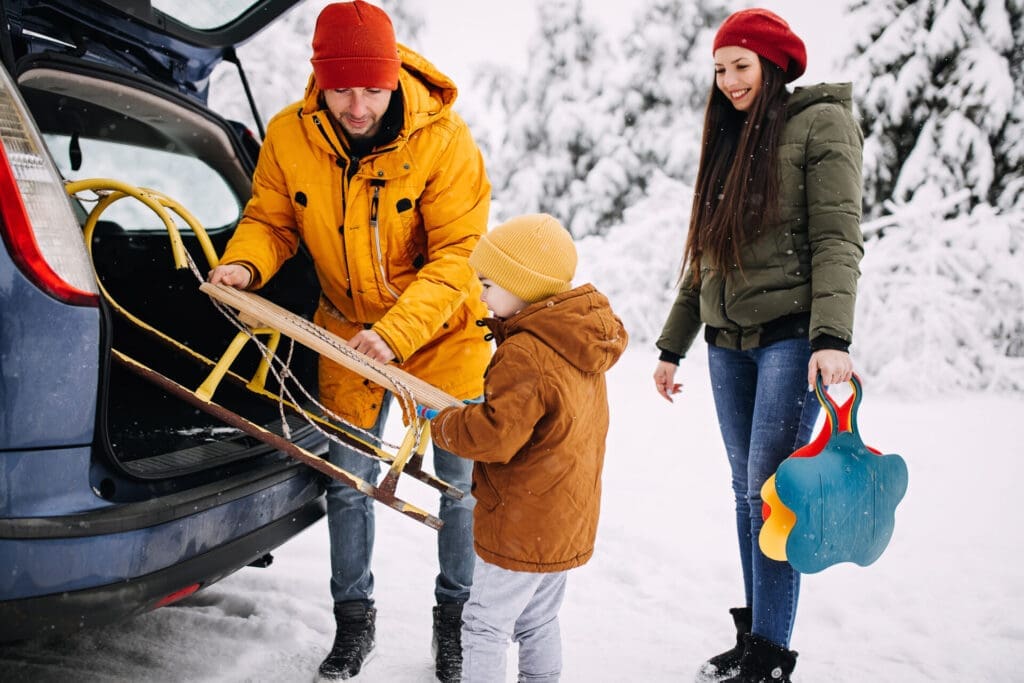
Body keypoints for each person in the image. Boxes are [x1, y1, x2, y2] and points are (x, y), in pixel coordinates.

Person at [207, 2, 492, 680]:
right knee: (348, 483)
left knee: (457, 488)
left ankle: (455, 622)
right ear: (319, 80)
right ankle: (353, 623)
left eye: (371, 88)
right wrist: (246, 262)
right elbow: (271, 218)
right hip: (343, 331)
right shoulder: (289, 134)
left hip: (440, 333)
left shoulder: (443, 139)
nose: (357, 105)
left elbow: (459, 255)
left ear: (393, 78)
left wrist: (395, 333)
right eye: (340, 88)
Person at [652, 8, 864, 683]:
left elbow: (838, 235)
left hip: (788, 337)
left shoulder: (820, 124)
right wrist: (671, 344)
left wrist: (831, 337)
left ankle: (771, 654)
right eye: (719, 69)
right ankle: (754, 638)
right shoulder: (729, 135)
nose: (729, 80)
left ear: (773, 65)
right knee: (748, 493)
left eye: (740, 66)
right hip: (725, 342)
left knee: (773, 492)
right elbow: (705, 255)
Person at [418, 214, 628, 683]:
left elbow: (495, 435)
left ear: (524, 286)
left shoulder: (526, 352)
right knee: (537, 620)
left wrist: (447, 423)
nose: (481, 295)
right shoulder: (578, 339)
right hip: (564, 512)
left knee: (485, 624)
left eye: (489, 284)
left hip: (521, 517)